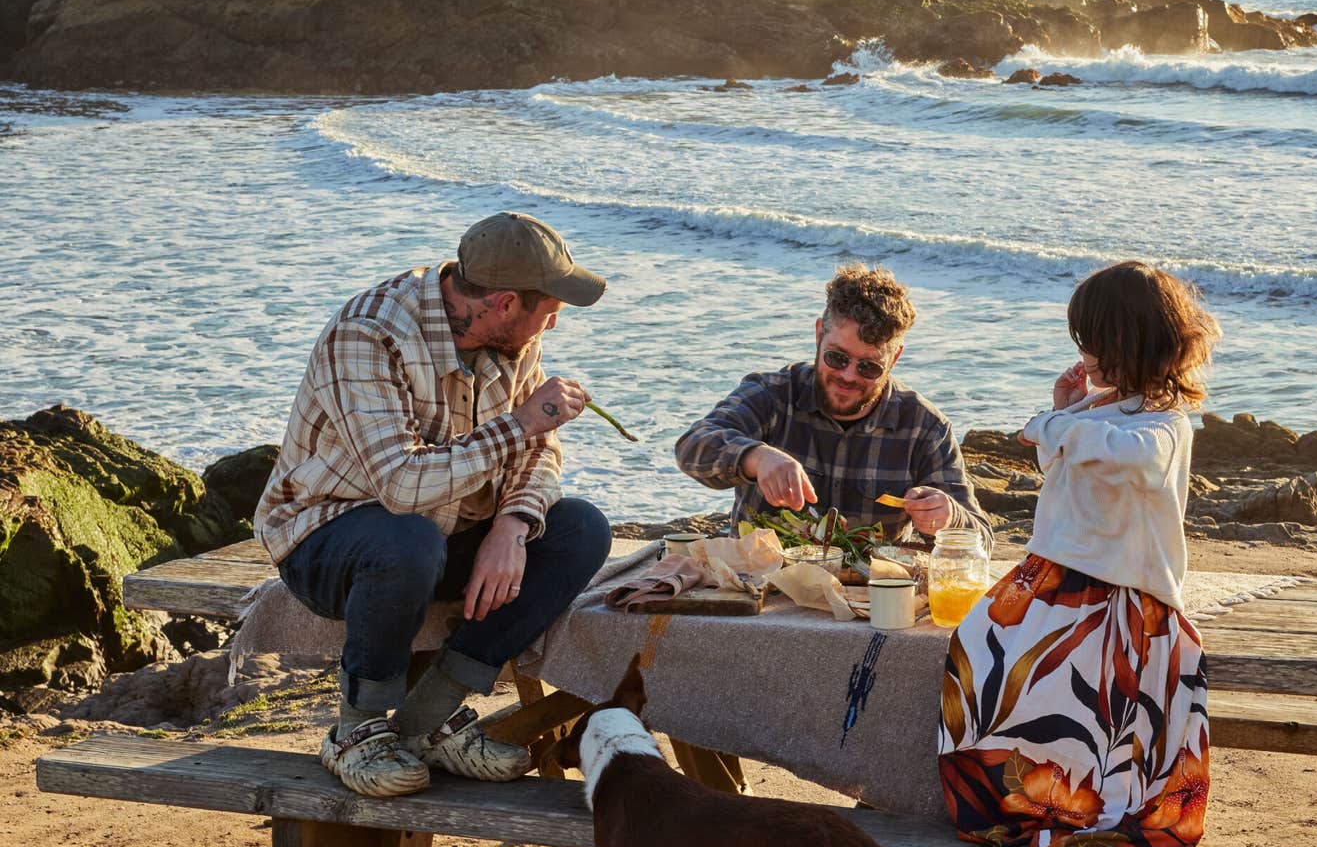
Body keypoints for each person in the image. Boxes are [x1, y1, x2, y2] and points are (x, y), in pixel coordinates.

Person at [254, 212, 613, 798]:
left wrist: (514, 525)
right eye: (549, 312)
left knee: (580, 528)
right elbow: (400, 486)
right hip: (328, 536)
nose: (554, 323)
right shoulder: (369, 334)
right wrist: (520, 423)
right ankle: (355, 730)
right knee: (409, 538)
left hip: (447, 534)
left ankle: (429, 719)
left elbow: (540, 452)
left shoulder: (517, 335)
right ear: (502, 304)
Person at [936, 261, 1220, 847]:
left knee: (1071, 696)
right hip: (1054, 575)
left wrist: (1056, 422)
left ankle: (1077, 806)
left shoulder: (1164, 426)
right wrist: (1068, 411)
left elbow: (1126, 456)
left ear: (1129, 341)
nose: (1085, 354)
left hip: (1119, 596)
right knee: (974, 648)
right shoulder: (1104, 409)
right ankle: (1013, 802)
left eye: (1094, 342)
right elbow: (1065, 470)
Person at [674, 262, 992, 548]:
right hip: (760, 592)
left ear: (894, 359)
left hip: (868, 602)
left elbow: (982, 539)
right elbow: (692, 447)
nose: (848, 376)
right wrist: (755, 458)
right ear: (818, 335)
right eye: (836, 357)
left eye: (869, 367)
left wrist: (949, 519)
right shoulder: (772, 394)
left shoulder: (925, 427)